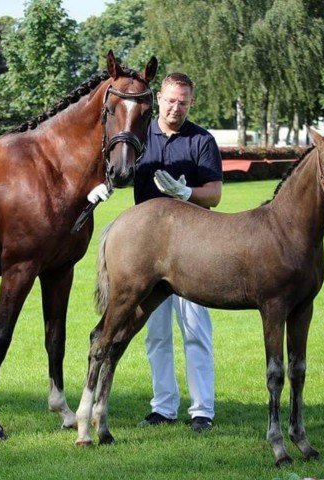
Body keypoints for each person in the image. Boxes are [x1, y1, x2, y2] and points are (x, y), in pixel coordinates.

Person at [87, 72, 223, 433]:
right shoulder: (140, 135)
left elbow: (215, 193)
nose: (176, 108)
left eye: (184, 102)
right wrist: (102, 188)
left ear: (191, 103)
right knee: (155, 333)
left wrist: (186, 193)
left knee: (196, 330)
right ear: (159, 98)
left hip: (193, 248)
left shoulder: (201, 140)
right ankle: (163, 407)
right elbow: (117, 170)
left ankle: (202, 411)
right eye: (171, 100)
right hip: (145, 252)